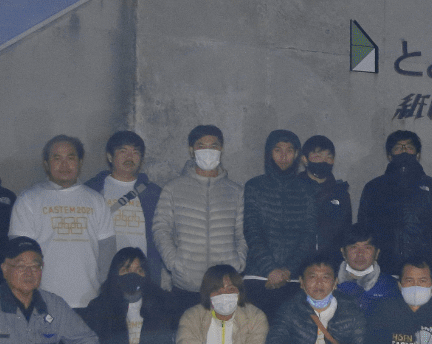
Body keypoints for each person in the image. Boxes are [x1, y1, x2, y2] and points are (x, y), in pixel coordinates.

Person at [10, 135, 118, 322]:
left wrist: (102, 296)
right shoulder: (29, 200)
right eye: (56, 158)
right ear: (46, 164)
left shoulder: (96, 201)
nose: (64, 164)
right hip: (42, 302)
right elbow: (18, 255)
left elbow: (107, 255)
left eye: (71, 157)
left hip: (88, 303)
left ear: (80, 161)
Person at [153, 125, 247, 294]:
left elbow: (242, 233)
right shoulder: (173, 189)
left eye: (214, 146)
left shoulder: (236, 192)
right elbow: (161, 229)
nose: (208, 151)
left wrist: (238, 263)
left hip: (225, 286)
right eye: (201, 146)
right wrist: (174, 263)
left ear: (221, 149)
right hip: (186, 285)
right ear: (191, 150)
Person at [241, 129, 316, 314]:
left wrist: (288, 270)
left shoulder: (307, 190)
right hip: (258, 277)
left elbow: (308, 234)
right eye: (277, 150)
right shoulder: (254, 186)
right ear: (269, 153)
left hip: (293, 279)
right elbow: (252, 231)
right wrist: (270, 269)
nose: (284, 156)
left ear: (297, 154)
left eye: (289, 150)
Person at [357, 129, 432, 271]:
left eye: (409, 147)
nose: (404, 151)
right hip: (383, 268)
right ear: (389, 155)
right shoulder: (374, 188)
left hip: (423, 269)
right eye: (398, 148)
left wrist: (426, 252)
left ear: (418, 155)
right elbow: (364, 227)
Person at [88, 130, 165, 288]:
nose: (129, 157)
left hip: (142, 274)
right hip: (102, 275)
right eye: (123, 151)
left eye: (135, 152)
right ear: (110, 156)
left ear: (142, 159)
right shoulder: (91, 190)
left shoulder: (155, 193)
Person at [301, 135, 352, 257]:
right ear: (305, 159)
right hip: (299, 263)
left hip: (332, 263)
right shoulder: (293, 190)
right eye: (318, 156)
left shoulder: (341, 194)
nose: (323, 161)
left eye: (328, 157)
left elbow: (346, 233)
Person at [333, 223, 398, 315]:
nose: (360, 253)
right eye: (353, 247)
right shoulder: (329, 282)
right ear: (343, 252)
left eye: (367, 248)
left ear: (377, 253)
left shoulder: (391, 286)